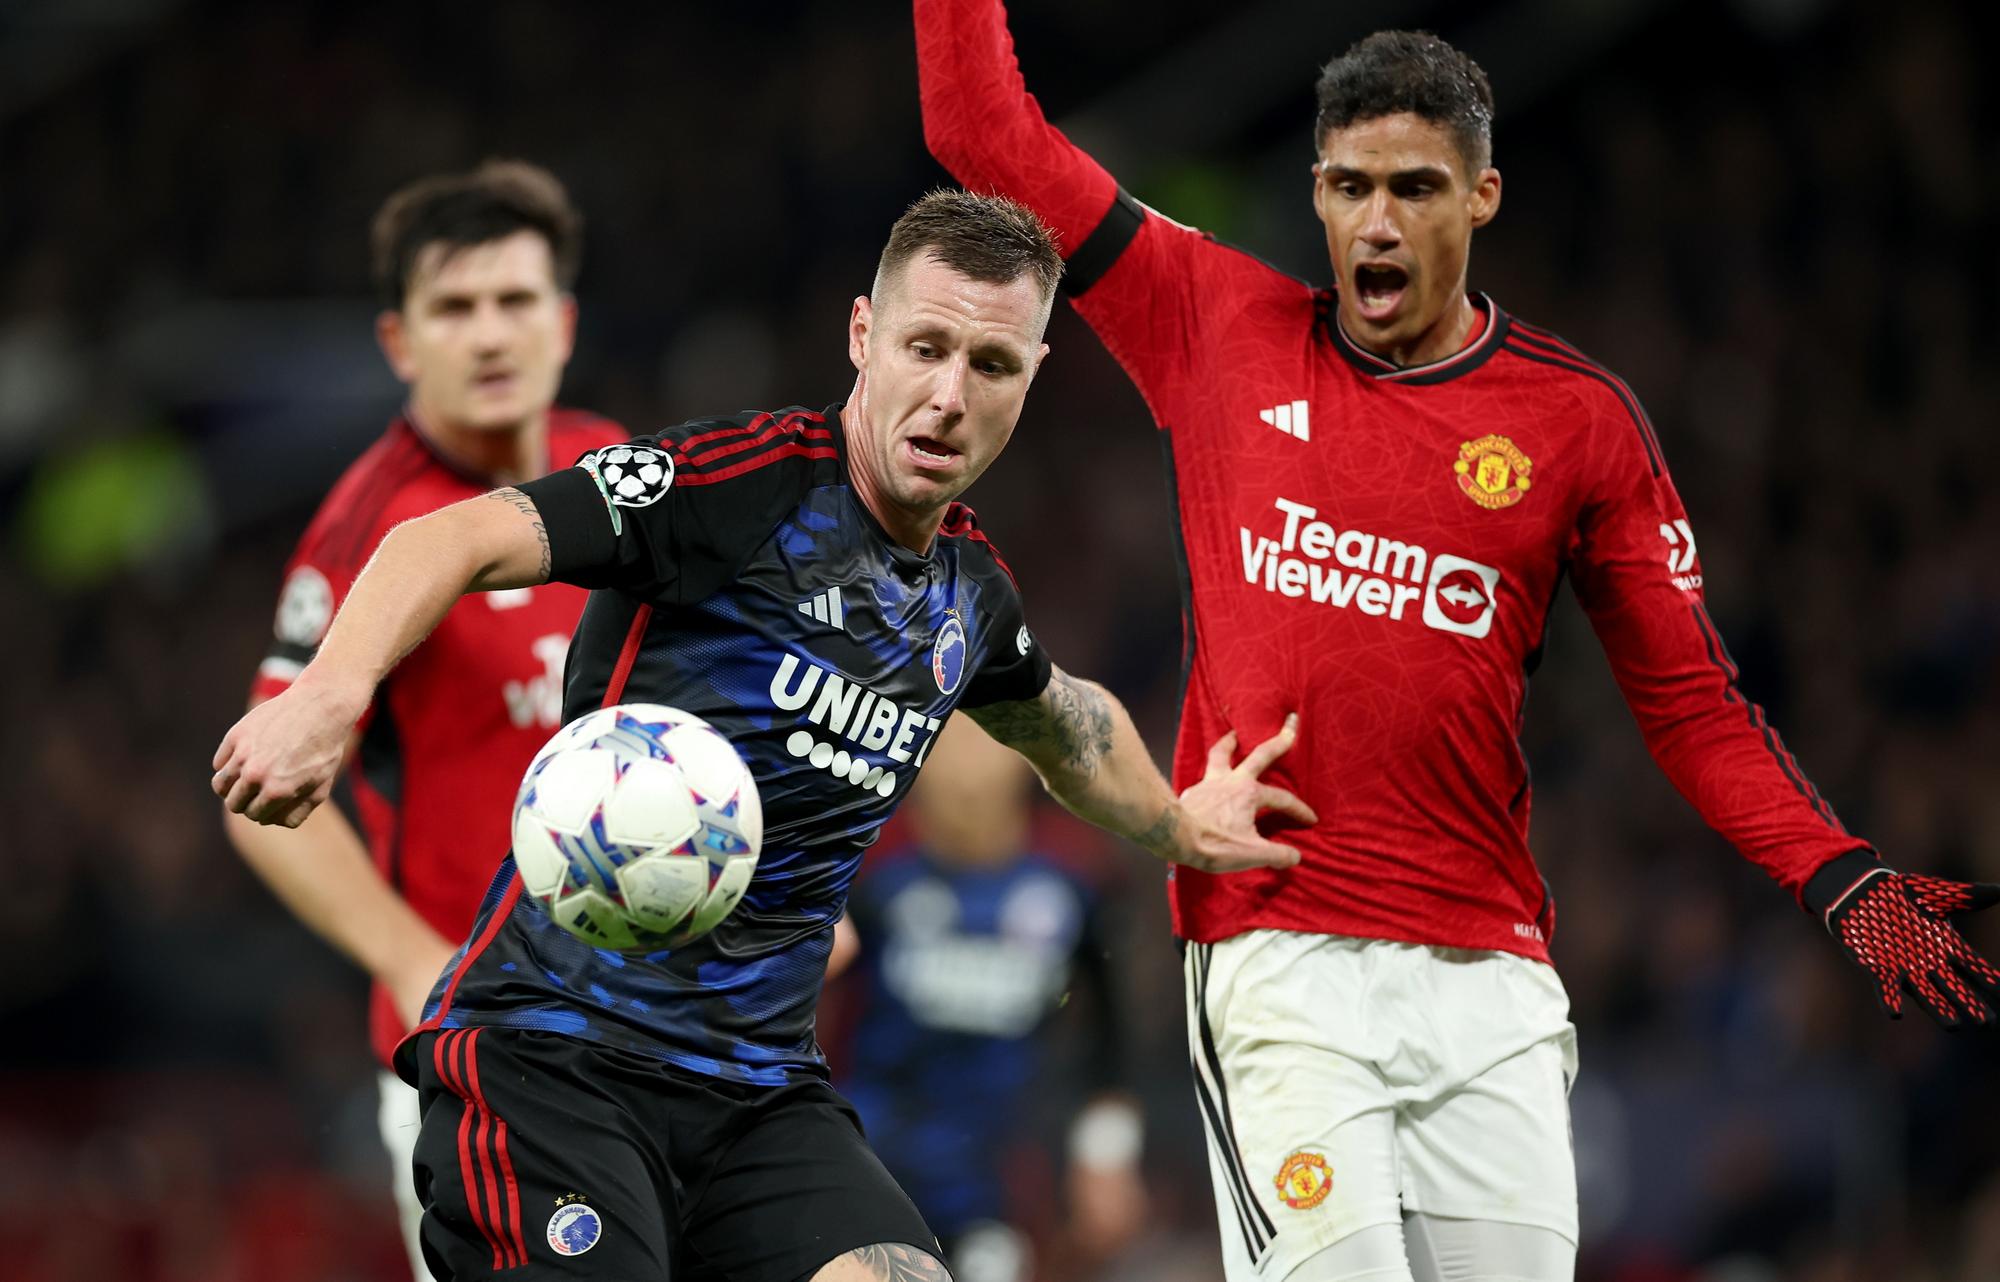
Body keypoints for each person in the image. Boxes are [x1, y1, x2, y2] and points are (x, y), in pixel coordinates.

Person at [912, 5, 2000, 1281]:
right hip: (1281, 955)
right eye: (1348, 187)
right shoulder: (1211, 317)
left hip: (1488, 973)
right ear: (1315, 192)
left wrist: (1837, 873)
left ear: (1480, 195)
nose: (1375, 223)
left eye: (1414, 188)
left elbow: (1691, 704)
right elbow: (978, 129)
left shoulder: (1575, 422)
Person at [211, 188, 1314, 1282]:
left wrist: (1179, 825)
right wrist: (329, 693)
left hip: (756, 1095)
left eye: (991, 365)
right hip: (554, 1057)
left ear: (1030, 377)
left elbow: (1067, 724)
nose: (948, 396)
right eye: (924, 348)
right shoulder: (737, 487)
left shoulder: (969, 598)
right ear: (862, 335)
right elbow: (448, 536)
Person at [222, 159, 625, 1278]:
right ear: (400, 342)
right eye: (454, 308)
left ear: (563, 323)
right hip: (483, 1063)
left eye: (515, 300)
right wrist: (415, 962)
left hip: (659, 1026)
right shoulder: (374, 524)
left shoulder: (614, 466)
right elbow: (263, 798)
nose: (488, 334)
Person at [836, 714, 1148, 1282]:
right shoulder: (865, 871)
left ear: (1022, 756)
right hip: (871, 1157)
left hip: (1005, 1174)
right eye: (947, 745)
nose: (966, 771)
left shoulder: (1073, 878)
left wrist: (1107, 1154)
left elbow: (1111, 1031)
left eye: (984, 743)